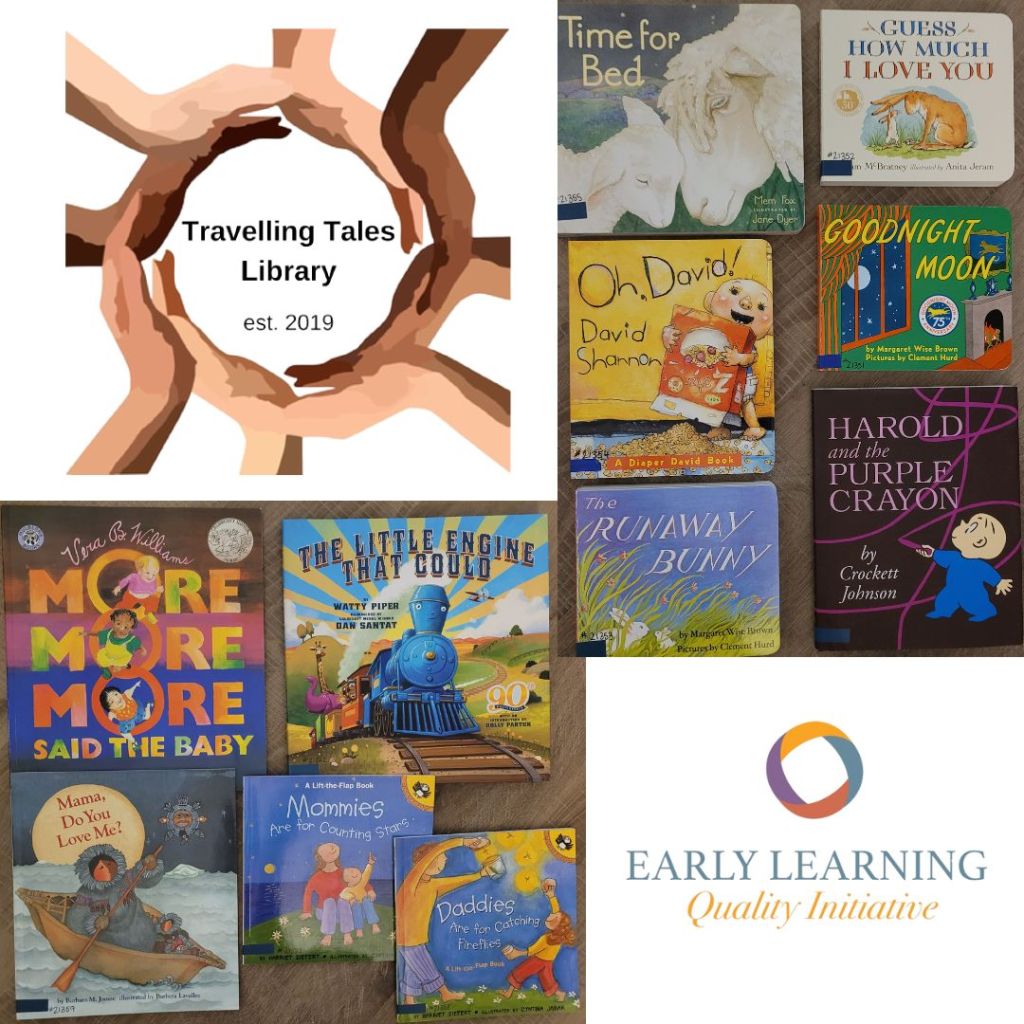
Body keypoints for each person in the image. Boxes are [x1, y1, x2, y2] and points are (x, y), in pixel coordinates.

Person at [661, 277, 773, 441]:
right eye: (734, 291)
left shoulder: (747, 341)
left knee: (746, 402)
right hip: (716, 379)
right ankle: (718, 428)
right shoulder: (705, 330)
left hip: (741, 380)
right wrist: (668, 336)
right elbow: (681, 343)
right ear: (710, 300)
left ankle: (754, 426)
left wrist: (739, 358)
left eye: (761, 306)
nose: (746, 303)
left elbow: (752, 357)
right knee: (713, 404)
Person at [395, 836, 491, 1004]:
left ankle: (408, 1002)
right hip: (408, 938)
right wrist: (463, 842)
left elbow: (457, 881)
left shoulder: (432, 885)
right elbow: (435, 852)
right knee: (425, 966)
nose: (445, 859)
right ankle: (444, 993)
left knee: (412, 969)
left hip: (416, 938)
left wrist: (480, 874)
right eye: (441, 857)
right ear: (428, 860)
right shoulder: (411, 883)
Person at [917, 513, 1014, 622]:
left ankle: (987, 611)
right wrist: (932, 552)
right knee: (943, 600)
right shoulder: (954, 556)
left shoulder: (979, 565)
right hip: (952, 589)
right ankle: (942, 611)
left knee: (974, 605)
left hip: (972, 593)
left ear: (979, 542)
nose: (962, 523)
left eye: (969, 528)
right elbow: (942, 556)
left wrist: (999, 582)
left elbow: (989, 573)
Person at [67, 844, 165, 952]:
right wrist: (94, 922)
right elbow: (75, 918)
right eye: (101, 868)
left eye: (109, 864)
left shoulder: (125, 878)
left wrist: (149, 866)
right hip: (113, 942)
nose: (107, 869)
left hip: (140, 932)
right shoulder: (87, 893)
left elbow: (143, 878)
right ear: (91, 872)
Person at [501, 878, 576, 1001]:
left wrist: (516, 953)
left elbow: (531, 951)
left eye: (554, 918)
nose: (550, 916)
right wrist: (551, 896)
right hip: (547, 962)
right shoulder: (558, 937)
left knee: (520, 972)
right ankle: (560, 994)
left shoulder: (546, 939)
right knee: (548, 982)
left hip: (538, 961)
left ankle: (508, 993)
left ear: (558, 926)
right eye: (552, 914)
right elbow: (556, 911)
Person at [301, 842, 356, 947]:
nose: (331, 849)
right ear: (320, 858)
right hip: (324, 912)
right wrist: (306, 911)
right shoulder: (316, 877)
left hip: (341, 914)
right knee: (329, 901)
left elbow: (352, 886)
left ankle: (347, 933)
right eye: (325, 850)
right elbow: (308, 893)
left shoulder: (343, 873)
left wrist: (352, 897)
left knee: (343, 901)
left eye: (331, 848)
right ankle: (327, 935)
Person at [90, 608, 145, 678]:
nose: (121, 628)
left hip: (122, 657)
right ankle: (105, 669)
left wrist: (143, 649)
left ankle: (123, 665)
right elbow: (98, 634)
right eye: (118, 624)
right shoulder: (108, 633)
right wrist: (87, 633)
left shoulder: (131, 639)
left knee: (118, 667)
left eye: (126, 627)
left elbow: (138, 644)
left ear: (131, 629)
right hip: (108, 654)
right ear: (113, 622)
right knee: (100, 659)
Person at [98, 680, 152, 750]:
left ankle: (148, 706)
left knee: (147, 717)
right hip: (127, 721)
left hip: (137, 711)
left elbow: (131, 689)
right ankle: (134, 742)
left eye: (116, 694)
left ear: (119, 693)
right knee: (123, 732)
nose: (117, 699)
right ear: (109, 708)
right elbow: (108, 723)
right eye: (111, 701)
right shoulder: (112, 713)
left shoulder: (126, 694)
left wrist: (136, 685)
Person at [113, 555, 163, 623]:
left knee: (154, 599)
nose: (150, 577)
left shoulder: (153, 580)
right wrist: (119, 587)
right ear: (140, 570)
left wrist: (156, 589)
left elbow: (150, 590)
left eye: (154, 574)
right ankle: (117, 613)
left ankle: (149, 613)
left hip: (145, 598)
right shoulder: (134, 577)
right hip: (132, 596)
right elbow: (126, 580)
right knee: (124, 606)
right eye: (147, 573)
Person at [341, 861, 380, 937]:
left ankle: (374, 925)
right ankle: (359, 929)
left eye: (356, 871)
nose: (355, 873)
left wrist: (370, 864)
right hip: (358, 911)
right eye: (351, 872)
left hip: (366, 911)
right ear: (347, 879)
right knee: (356, 906)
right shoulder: (347, 890)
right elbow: (343, 895)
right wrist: (351, 898)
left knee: (366, 901)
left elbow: (366, 874)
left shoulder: (361, 883)